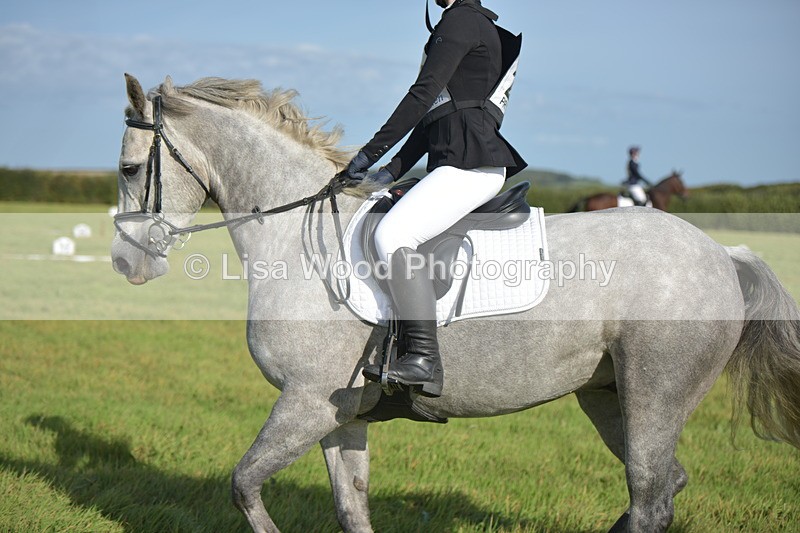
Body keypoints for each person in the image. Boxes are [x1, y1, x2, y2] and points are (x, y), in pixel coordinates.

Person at [342, 0, 526, 398]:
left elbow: (422, 95)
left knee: (391, 237)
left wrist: (368, 152)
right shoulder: (460, 22)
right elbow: (435, 118)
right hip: (454, 163)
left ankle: (424, 360)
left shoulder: (462, 20)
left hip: (470, 165)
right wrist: (390, 170)